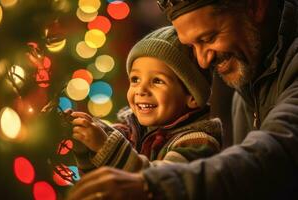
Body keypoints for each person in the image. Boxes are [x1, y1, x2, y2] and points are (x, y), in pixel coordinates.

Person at [67, 0, 298, 199]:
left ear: (254, 6)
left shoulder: (197, 138)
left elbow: (277, 154)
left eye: (209, 38)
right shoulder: (248, 82)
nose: (203, 61)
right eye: (191, 46)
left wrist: (153, 186)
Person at [69, 26, 222, 176]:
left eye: (157, 81)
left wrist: (105, 146)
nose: (141, 90)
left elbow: (158, 183)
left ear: (192, 97)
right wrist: (85, 146)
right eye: (135, 79)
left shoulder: (197, 142)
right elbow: (98, 179)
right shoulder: (127, 131)